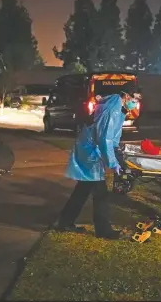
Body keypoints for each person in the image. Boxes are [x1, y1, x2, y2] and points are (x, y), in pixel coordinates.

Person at [55, 93, 138, 239]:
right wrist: (113, 163)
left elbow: (113, 137)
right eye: (134, 99)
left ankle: (64, 222)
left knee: (83, 189)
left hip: (90, 148)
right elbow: (105, 138)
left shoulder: (118, 108)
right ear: (125, 96)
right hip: (91, 151)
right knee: (100, 194)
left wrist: (117, 154)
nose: (135, 102)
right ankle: (104, 230)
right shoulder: (112, 110)